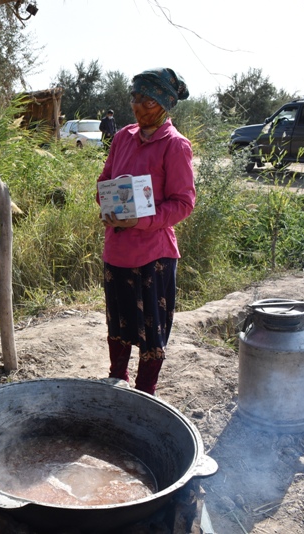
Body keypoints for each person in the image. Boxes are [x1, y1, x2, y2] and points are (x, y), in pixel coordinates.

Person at [97, 68, 196, 395]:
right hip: (117, 251)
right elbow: (104, 180)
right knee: (119, 322)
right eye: (135, 98)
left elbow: (183, 203)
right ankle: (117, 381)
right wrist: (106, 201)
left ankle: (145, 392)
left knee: (151, 330)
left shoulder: (175, 145)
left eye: (147, 100)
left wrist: (139, 219)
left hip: (153, 257)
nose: (138, 106)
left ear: (166, 104)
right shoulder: (123, 137)